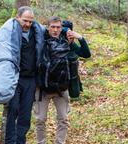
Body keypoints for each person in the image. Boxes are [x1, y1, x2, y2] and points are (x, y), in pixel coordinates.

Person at [34, 16, 91, 144]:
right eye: (52, 27)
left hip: (62, 87)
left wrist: (80, 38)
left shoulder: (67, 42)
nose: (55, 30)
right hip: (43, 88)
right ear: (48, 27)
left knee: (63, 119)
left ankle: (60, 142)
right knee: (40, 120)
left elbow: (86, 54)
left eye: (58, 27)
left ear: (62, 28)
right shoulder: (41, 40)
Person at [4, 6, 43, 144]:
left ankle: (21, 141)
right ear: (18, 18)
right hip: (15, 78)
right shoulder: (9, 32)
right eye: (25, 20)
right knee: (12, 110)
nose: (27, 24)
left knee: (25, 115)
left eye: (30, 21)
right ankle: (9, 141)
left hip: (30, 80)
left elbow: (53, 29)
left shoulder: (37, 32)